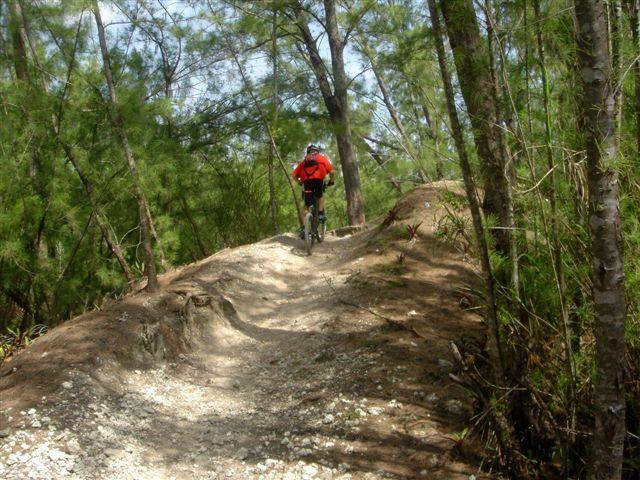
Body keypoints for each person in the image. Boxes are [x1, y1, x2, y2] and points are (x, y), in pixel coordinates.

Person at [293, 144, 334, 238]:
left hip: (307, 183)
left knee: (306, 205)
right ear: (317, 151)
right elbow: (331, 172)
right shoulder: (322, 158)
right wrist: (331, 181)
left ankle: (303, 228)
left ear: (308, 152)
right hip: (318, 181)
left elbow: (294, 175)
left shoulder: (304, 162)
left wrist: (299, 183)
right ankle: (320, 214)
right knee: (320, 196)